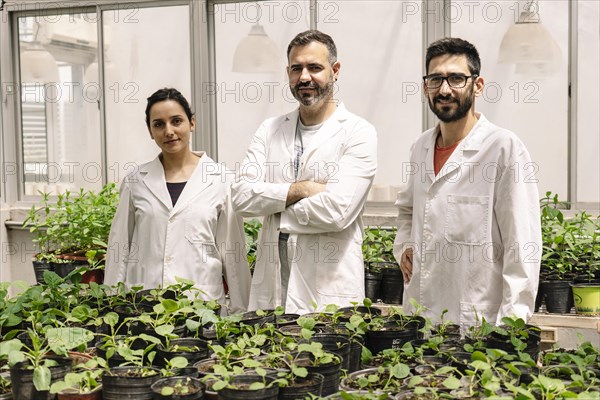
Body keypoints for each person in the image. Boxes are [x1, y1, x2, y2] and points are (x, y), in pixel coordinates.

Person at [393, 38, 541, 328]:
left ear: (478, 84)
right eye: (436, 79)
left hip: (477, 322)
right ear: (425, 87)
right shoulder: (420, 146)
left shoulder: (502, 148)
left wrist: (511, 327)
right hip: (421, 314)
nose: (445, 89)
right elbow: (407, 209)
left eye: (457, 78)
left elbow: (522, 245)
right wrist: (404, 247)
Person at [231, 30, 377, 314]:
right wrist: (305, 189)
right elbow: (241, 197)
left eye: (315, 67)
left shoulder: (358, 132)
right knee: (271, 358)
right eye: (296, 68)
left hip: (330, 291)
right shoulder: (269, 129)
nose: (304, 77)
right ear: (288, 72)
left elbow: (338, 211)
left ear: (335, 71)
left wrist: (273, 204)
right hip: (274, 289)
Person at [105, 88, 251, 314]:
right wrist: (111, 305)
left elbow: (233, 254)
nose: (169, 131)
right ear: (150, 131)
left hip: (202, 307)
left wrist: (242, 313)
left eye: (176, 121)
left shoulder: (222, 180)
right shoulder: (135, 181)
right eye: (159, 124)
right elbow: (119, 246)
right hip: (144, 307)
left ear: (191, 123)